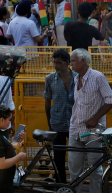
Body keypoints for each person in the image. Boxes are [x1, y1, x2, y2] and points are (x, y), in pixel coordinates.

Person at [68, 49, 112, 193]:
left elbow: (111, 99)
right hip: (76, 130)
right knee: (74, 170)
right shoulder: (76, 78)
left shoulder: (97, 77)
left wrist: (95, 118)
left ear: (83, 61)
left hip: (94, 132)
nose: (71, 64)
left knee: (95, 170)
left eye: (73, 61)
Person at [44, 49, 77, 184]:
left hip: (75, 123)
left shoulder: (78, 78)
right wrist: (49, 123)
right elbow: (47, 102)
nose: (56, 65)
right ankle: (61, 185)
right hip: (56, 123)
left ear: (68, 63)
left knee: (76, 156)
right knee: (58, 157)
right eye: (54, 62)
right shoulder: (50, 79)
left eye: (59, 62)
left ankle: (76, 183)